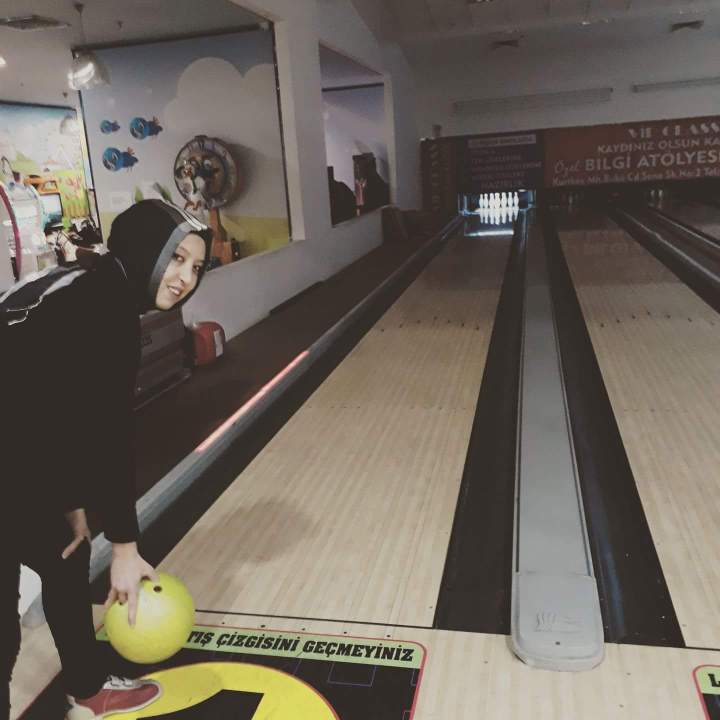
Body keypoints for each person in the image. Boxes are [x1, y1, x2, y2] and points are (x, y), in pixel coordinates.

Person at [1, 200, 213, 720]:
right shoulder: (103, 306)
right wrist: (124, 547)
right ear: (144, 250)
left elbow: (59, 410)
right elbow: (108, 435)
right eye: (176, 259)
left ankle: (87, 686)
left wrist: (70, 500)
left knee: (65, 556)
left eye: (195, 266)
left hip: (17, 458)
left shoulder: (89, 283)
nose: (185, 278)